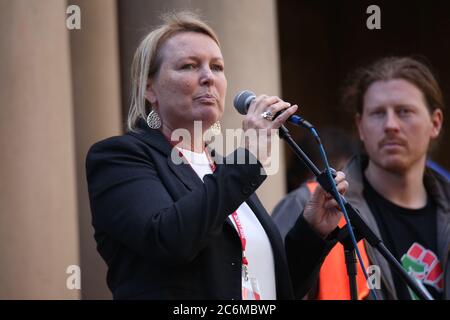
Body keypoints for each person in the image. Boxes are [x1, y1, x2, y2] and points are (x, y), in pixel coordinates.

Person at [85, 12, 348, 300]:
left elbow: (274, 287)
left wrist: (310, 230)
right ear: (149, 88)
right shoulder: (119, 158)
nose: (209, 78)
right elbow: (168, 241)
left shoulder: (223, 168)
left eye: (217, 67)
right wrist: (247, 158)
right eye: (188, 66)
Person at [272, 56, 449, 300]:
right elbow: (265, 294)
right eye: (377, 113)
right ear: (360, 126)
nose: (390, 125)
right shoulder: (311, 204)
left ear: (435, 123)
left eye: (404, 111)